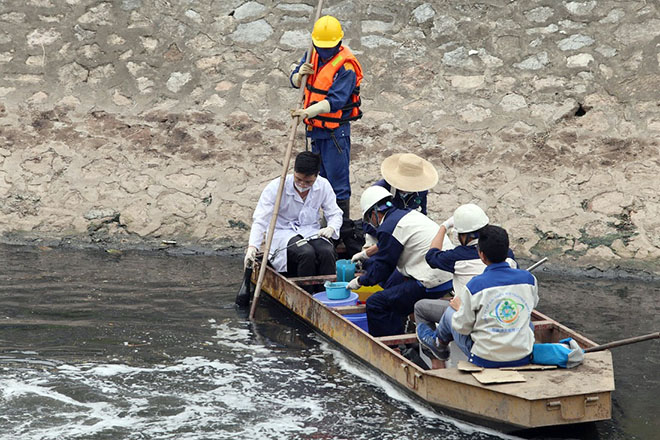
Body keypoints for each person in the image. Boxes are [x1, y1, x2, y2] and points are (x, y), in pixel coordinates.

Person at [417, 225, 539, 368]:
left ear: (481, 255)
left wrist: (460, 309)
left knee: (451, 312)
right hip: (523, 356)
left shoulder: (475, 286)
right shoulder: (529, 279)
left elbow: (462, 327)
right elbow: (532, 305)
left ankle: (439, 344)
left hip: (485, 359)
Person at [345, 186, 453, 337]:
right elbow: (389, 244)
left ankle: (390, 346)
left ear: (374, 212)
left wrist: (360, 281)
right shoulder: (406, 215)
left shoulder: (389, 227)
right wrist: (365, 254)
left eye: (369, 218)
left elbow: (383, 268)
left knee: (376, 303)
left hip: (431, 281)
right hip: (447, 275)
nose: (371, 223)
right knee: (392, 288)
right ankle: (399, 333)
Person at [289, 15, 363, 221]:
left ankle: (340, 233)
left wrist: (307, 112)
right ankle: (319, 223)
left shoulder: (346, 67)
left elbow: (336, 100)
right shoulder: (312, 54)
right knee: (318, 181)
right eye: (320, 46)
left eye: (327, 47)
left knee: (337, 183)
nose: (323, 50)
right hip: (315, 130)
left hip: (334, 133)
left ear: (338, 43)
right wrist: (298, 75)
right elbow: (295, 82)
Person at [244, 151, 343, 293]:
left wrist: (332, 227)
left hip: (310, 230)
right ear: (294, 172)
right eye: (298, 179)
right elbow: (261, 219)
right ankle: (306, 293)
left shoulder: (323, 185)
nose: (302, 184)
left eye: (308, 181)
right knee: (306, 253)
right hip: (282, 232)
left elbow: (335, 213)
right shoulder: (277, 187)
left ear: (317, 175)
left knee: (327, 251)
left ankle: (326, 292)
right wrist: (252, 246)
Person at [414, 204, 517, 334]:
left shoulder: (458, 257)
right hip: (500, 310)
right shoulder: (508, 254)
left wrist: (443, 227)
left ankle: (437, 347)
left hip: (473, 316)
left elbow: (431, 256)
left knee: (420, 307)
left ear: (482, 255)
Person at [351, 153, 437, 264]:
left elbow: (423, 214)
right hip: (379, 235)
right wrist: (385, 241)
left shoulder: (421, 191)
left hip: (407, 235)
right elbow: (368, 223)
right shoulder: (379, 190)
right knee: (374, 264)